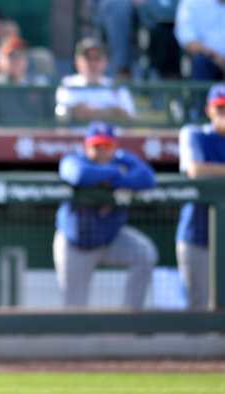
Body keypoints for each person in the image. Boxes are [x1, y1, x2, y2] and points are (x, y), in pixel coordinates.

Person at [54, 121, 157, 309]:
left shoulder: (123, 159)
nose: (101, 151)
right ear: (86, 146)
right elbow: (78, 174)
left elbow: (148, 178)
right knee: (73, 311)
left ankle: (130, 317)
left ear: (114, 147)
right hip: (76, 244)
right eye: (96, 146)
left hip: (111, 238)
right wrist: (116, 174)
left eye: (106, 146)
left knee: (145, 254)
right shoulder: (75, 159)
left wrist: (110, 177)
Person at [176, 84, 225, 310]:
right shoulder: (194, 133)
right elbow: (195, 170)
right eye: (220, 108)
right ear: (209, 110)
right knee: (199, 309)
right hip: (198, 236)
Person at [0, 35, 51, 125]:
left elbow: (51, 118)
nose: (17, 60)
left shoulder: (40, 84)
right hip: (1, 137)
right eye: (11, 56)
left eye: (22, 55)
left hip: (35, 136)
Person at [55, 37, 136, 124]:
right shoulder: (67, 84)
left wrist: (89, 112)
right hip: (78, 136)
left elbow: (129, 116)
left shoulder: (117, 86)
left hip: (111, 137)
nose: (93, 63)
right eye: (88, 58)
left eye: (97, 58)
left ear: (106, 61)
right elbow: (63, 114)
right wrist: (111, 112)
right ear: (77, 61)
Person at [174, 0, 225, 81]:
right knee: (200, 61)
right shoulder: (192, 2)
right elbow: (187, 39)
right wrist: (216, 57)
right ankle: (201, 94)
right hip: (209, 58)